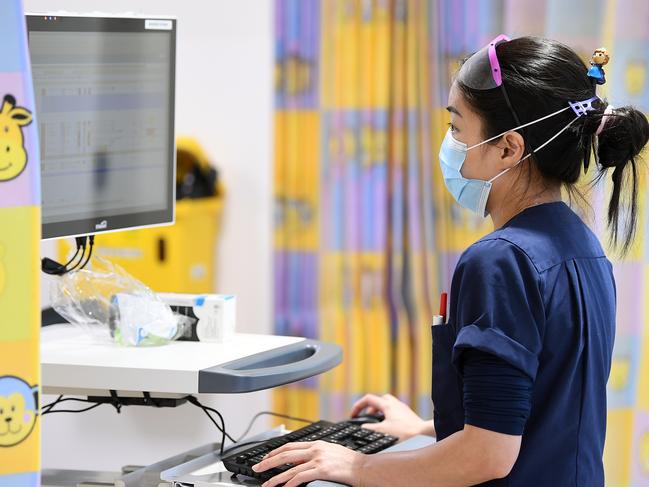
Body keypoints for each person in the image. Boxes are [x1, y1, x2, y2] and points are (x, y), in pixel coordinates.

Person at [252, 35, 649, 487]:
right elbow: (546, 407)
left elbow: (487, 457)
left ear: (508, 149)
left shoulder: (501, 261)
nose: (450, 144)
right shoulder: (580, 245)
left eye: (458, 129)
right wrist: (425, 430)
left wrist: (355, 465)